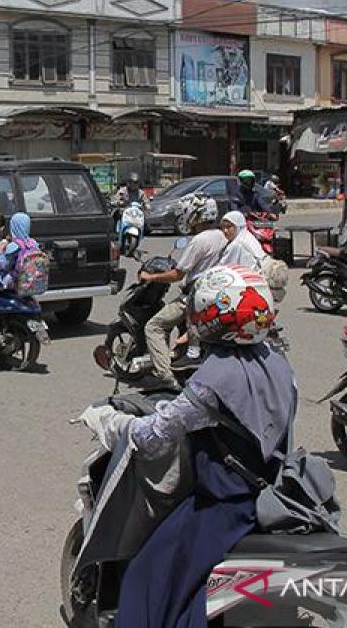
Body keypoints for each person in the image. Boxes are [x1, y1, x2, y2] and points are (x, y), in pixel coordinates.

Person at [81, 265, 296, 628]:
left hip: (222, 507)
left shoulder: (213, 379)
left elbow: (154, 435)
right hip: (276, 493)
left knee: (149, 574)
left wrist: (116, 423)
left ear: (209, 315)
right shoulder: (278, 363)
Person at [140, 194, 228, 387]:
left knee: (154, 326)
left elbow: (178, 274)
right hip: (218, 295)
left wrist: (151, 277)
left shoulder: (199, 241)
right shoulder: (222, 236)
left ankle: (166, 377)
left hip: (194, 298)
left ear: (194, 214)